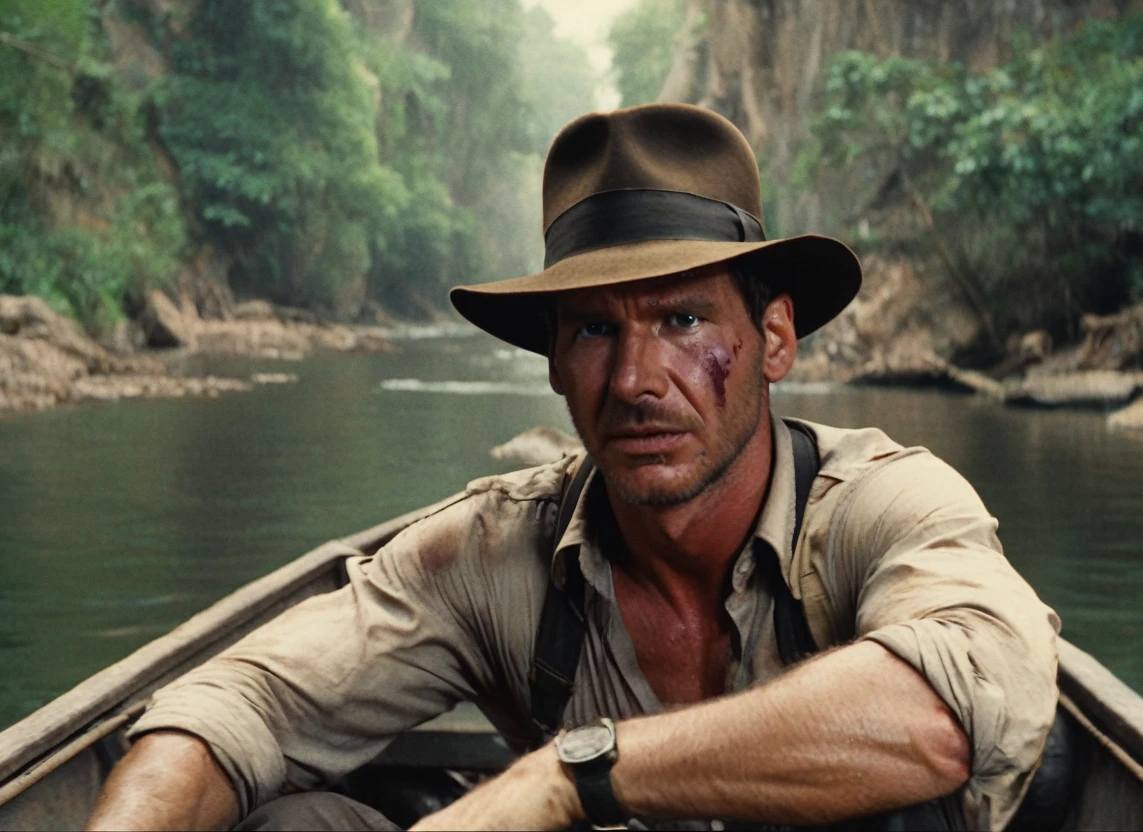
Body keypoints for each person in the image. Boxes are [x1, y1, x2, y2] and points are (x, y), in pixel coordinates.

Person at [85, 104, 1060, 832]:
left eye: (681, 320)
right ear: (554, 361)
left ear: (772, 338)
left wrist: (565, 772)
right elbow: (239, 700)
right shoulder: (494, 553)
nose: (635, 379)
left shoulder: (882, 506)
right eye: (596, 329)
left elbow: (946, 712)